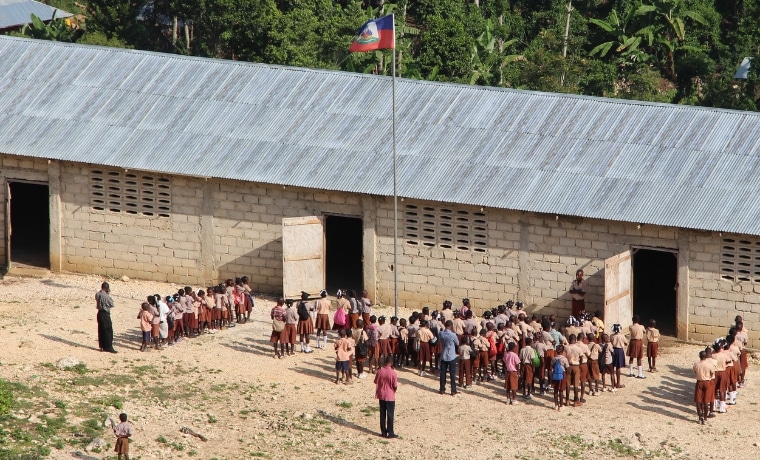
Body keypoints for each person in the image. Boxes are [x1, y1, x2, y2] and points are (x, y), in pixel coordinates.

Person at [374, 355, 399, 439]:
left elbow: (375, 381)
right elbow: (395, 386)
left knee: (382, 414)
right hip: (390, 395)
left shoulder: (380, 371)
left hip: (381, 395)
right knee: (390, 414)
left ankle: (383, 432)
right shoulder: (393, 373)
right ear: (391, 363)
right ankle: (390, 432)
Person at [693, 350, 716, 425]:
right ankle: (705, 418)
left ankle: (700, 418)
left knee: (698, 401)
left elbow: (695, 371)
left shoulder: (696, 364)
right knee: (706, 401)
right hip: (707, 382)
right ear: (706, 357)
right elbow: (712, 373)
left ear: (700, 356)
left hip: (699, 382)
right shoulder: (710, 365)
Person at [438, 320, 459, 396]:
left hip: (443, 355)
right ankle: (453, 390)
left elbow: (440, 339)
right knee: (452, 374)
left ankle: (442, 389)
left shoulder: (441, 334)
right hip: (451, 356)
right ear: (451, 326)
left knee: (442, 373)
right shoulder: (453, 335)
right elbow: (457, 343)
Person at [95, 282, 117, 353]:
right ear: (107, 288)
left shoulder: (97, 294)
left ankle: (102, 346)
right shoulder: (106, 296)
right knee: (108, 331)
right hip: (105, 314)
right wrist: (108, 294)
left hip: (99, 313)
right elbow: (112, 304)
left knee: (101, 330)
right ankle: (109, 347)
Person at [551, 344, 569, 411]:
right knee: (561, 390)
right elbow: (567, 368)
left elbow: (551, 366)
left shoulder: (554, 358)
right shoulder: (564, 359)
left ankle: (556, 405)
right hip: (562, 374)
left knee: (555, 390)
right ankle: (561, 406)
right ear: (563, 351)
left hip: (555, 375)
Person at [610, 324, 627, 389]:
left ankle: (613, 383)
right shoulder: (622, 336)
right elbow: (626, 343)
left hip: (613, 350)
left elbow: (611, 341)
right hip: (620, 351)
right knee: (618, 368)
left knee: (612, 367)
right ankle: (618, 383)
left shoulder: (611, 336)